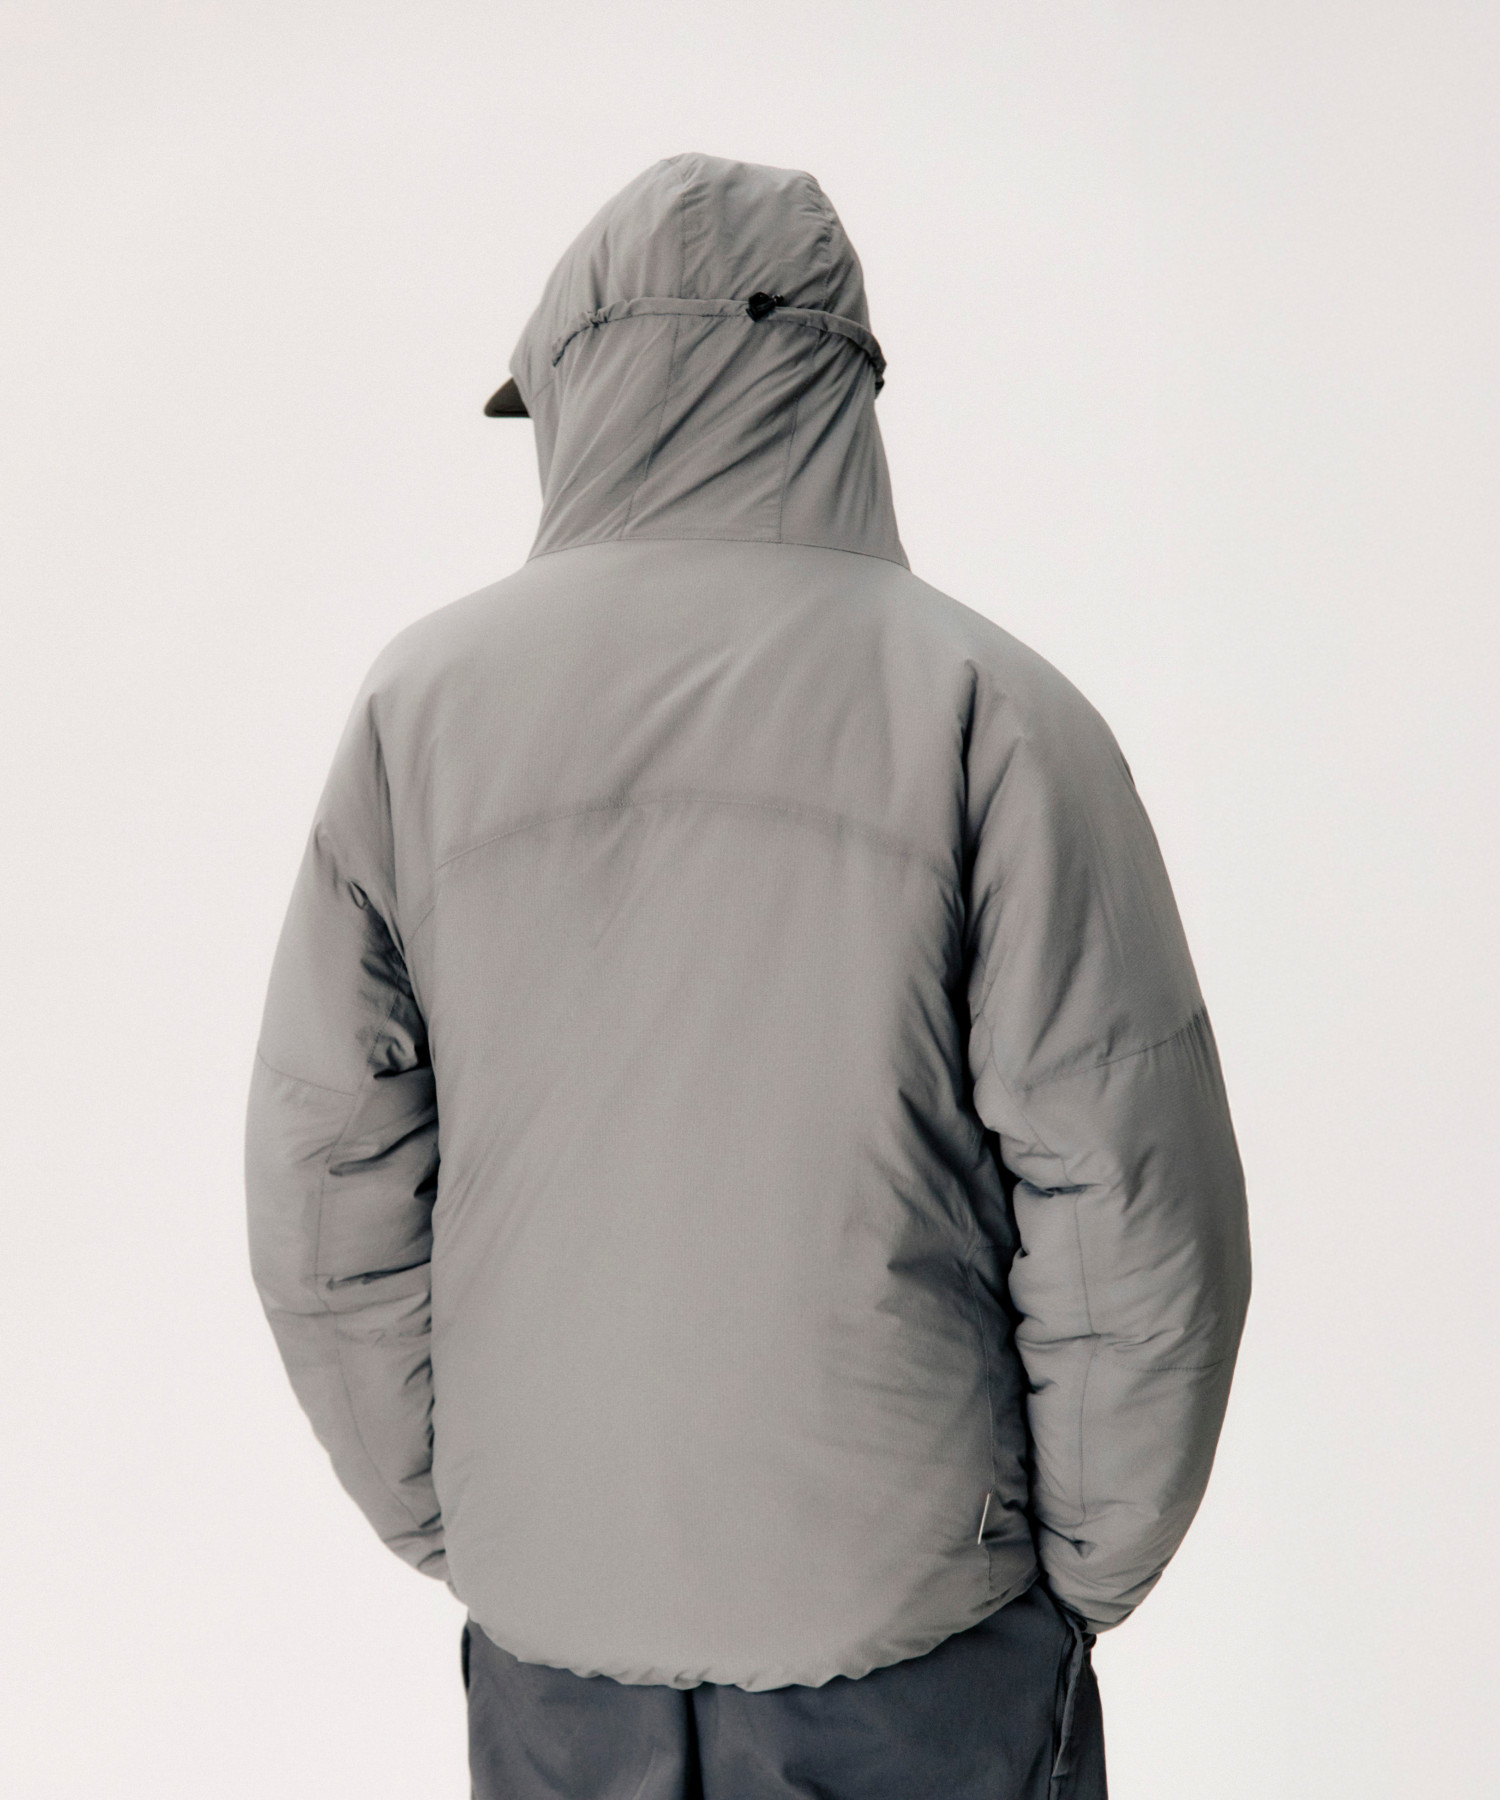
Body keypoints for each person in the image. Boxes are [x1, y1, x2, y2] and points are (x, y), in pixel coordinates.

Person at [246, 152, 1251, 1800]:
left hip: (560, 1667)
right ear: (841, 389)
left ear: (579, 385)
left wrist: (473, 1514)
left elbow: (322, 1185)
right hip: (924, 1651)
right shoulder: (997, 711)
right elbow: (1132, 1203)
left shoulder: (418, 715)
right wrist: (1074, 1575)